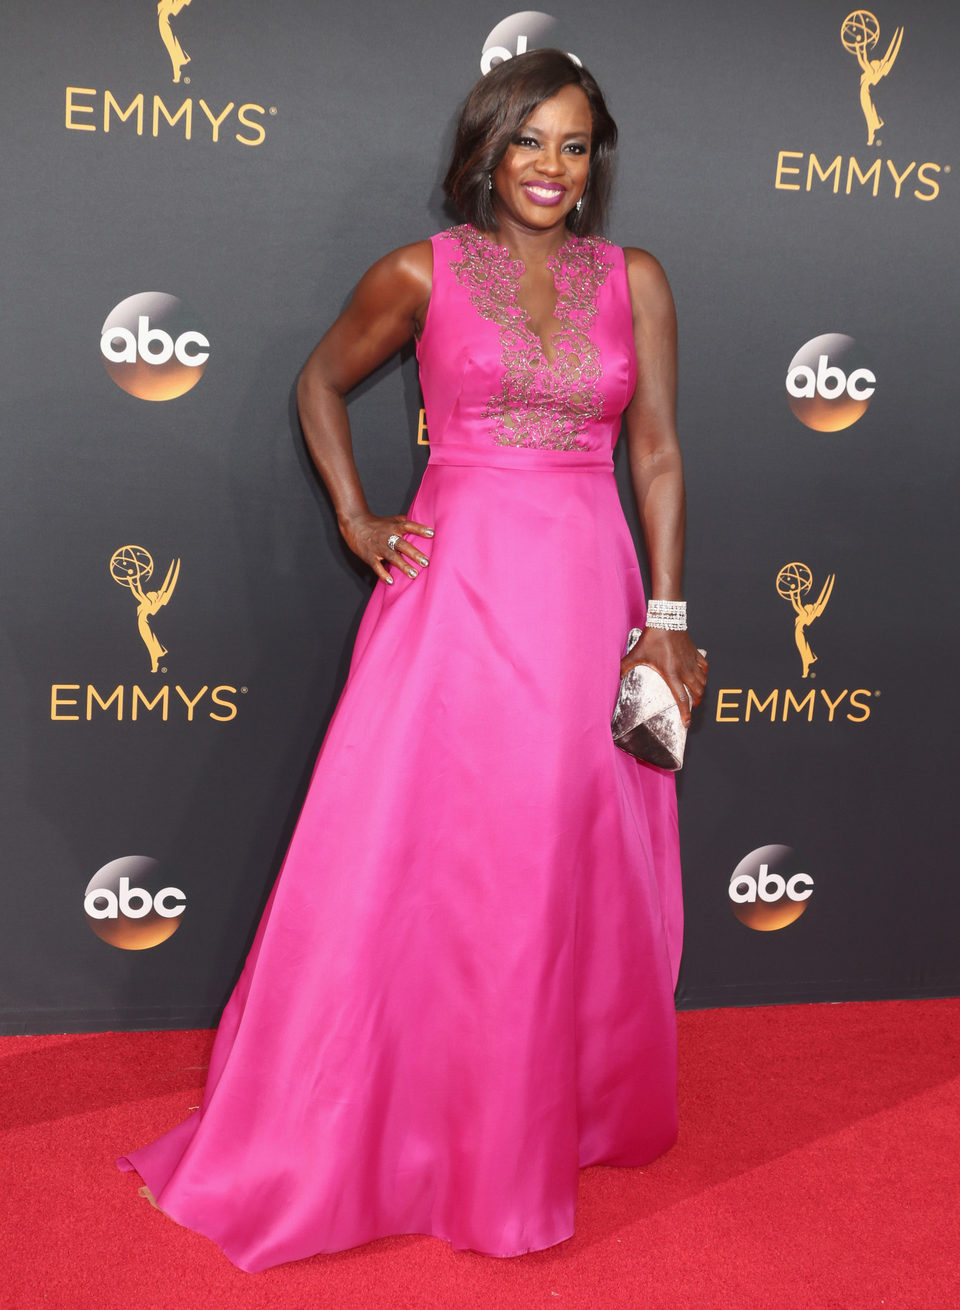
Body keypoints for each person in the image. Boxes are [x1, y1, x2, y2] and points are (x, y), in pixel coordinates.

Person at [117, 49, 707, 1273]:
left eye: (575, 144)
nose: (551, 166)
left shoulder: (633, 278)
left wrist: (668, 609)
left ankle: (551, 1112)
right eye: (529, 139)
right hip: (461, 595)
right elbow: (319, 380)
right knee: (434, 853)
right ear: (486, 145)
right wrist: (354, 515)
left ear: (598, 162)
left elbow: (654, 453)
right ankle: (414, 1121)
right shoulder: (417, 272)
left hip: (589, 591)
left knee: (561, 848)